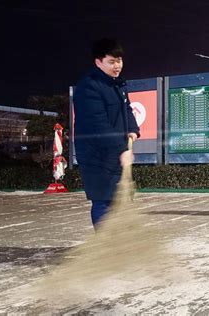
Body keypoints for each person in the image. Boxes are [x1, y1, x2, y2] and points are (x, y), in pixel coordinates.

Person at [73, 38, 140, 230]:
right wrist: (121, 149)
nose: (117, 66)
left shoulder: (117, 84)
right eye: (112, 61)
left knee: (120, 199)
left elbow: (126, 109)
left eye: (119, 60)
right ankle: (105, 246)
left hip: (114, 153)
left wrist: (133, 130)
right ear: (98, 62)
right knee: (103, 200)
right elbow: (98, 125)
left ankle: (118, 243)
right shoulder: (89, 87)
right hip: (97, 157)